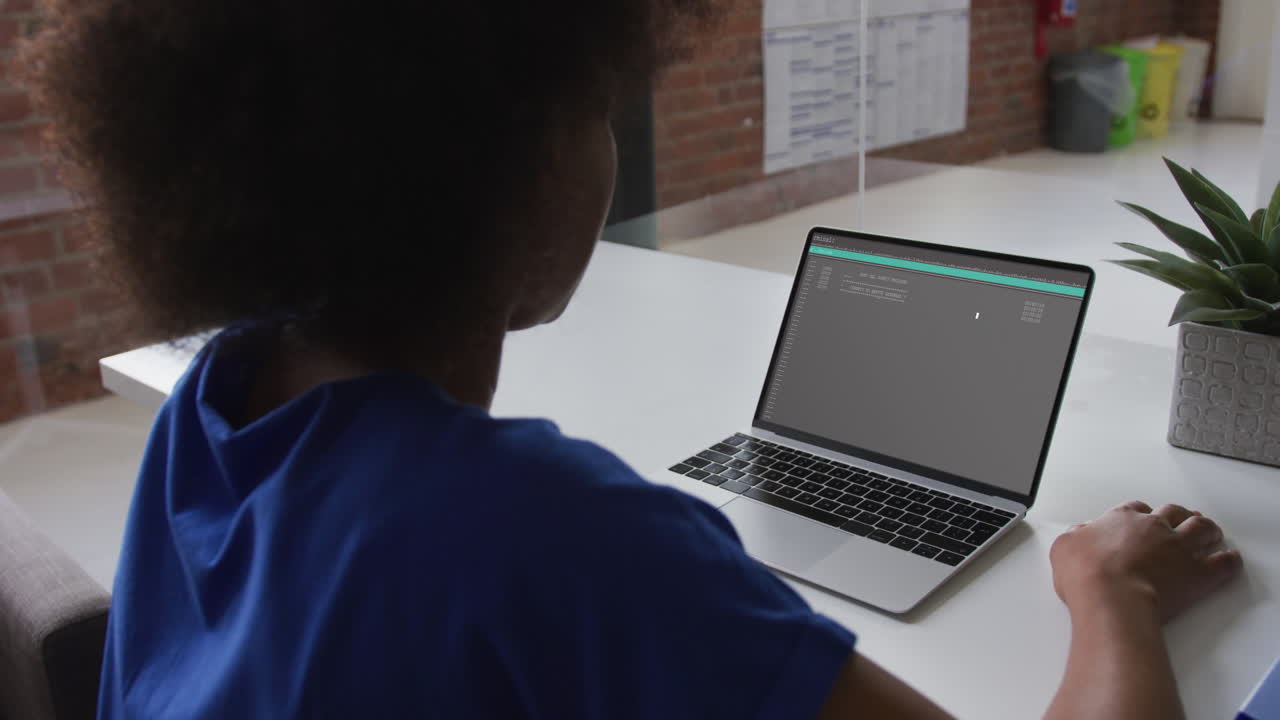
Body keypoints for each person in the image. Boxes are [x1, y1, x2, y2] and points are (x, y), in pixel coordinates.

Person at [25, 1, 1242, 718]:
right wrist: (1108, 588)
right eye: (593, 109)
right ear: (499, 162)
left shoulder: (216, 403)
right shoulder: (547, 528)